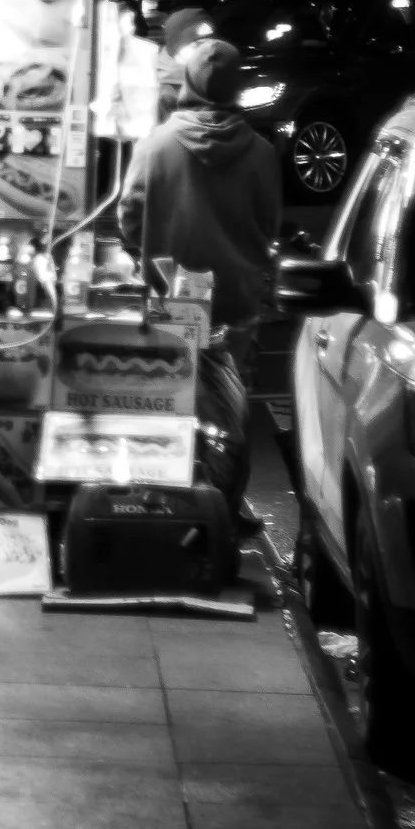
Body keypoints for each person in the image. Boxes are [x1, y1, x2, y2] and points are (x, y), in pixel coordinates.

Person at [116, 32, 282, 493]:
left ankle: (173, 499)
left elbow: (129, 220)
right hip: (236, 301)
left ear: (188, 82)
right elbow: (270, 225)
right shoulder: (262, 153)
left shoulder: (155, 147)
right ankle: (228, 505)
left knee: (169, 406)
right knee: (232, 409)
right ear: (236, 88)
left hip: (171, 300)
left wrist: (156, 241)